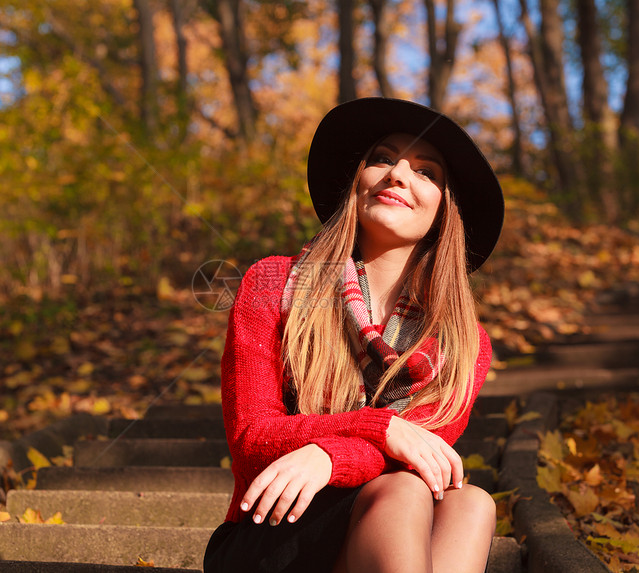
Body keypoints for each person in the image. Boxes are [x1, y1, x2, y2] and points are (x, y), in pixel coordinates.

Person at [203, 97, 505, 573]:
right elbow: (251, 437)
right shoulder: (274, 284)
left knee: (471, 504)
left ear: (446, 210)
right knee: (404, 487)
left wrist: (329, 456)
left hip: (384, 522)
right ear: (357, 182)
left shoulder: (463, 342)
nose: (398, 175)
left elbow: (424, 461)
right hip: (273, 531)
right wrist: (380, 427)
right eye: (383, 159)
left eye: (426, 172)